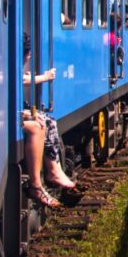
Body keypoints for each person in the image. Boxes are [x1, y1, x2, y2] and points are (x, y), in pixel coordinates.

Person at [21, 32, 75, 207]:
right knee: (40, 124)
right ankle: (41, 181)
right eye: (27, 55)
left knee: (50, 121)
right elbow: (21, 79)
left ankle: (55, 169)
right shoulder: (10, 62)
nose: (28, 59)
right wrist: (45, 77)